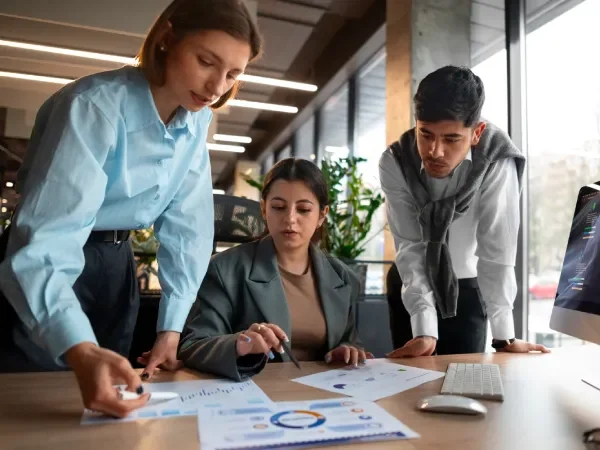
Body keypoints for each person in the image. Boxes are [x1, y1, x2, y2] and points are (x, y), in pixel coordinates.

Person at [0, 0, 262, 418]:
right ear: (166, 40)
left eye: (232, 74)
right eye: (205, 62)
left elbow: (188, 230)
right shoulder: (94, 106)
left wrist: (171, 328)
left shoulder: (195, 121)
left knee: (109, 407)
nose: (216, 87)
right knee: (34, 405)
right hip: (54, 264)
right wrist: (77, 347)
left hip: (116, 267)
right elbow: (46, 243)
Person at [379, 65, 550, 357]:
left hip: (468, 288)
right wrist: (424, 327)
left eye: (451, 139)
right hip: (410, 281)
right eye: (426, 134)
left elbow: (497, 250)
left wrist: (504, 337)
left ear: (476, 133)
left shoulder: (496, 160)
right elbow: (411, 245)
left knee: (464, 382)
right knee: (408, 385)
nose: (435, 151)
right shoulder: (395, 161)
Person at [178, 158, 372, 381]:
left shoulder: (340, 275)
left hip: (326, 395)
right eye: (278, 207)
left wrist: (347, 349)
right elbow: (193, 345)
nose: (290, 219)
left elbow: (350, 340)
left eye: (304, 210)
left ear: (321, 215)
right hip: (254, 395)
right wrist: (239, 344)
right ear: (263, 208)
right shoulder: (224, 269)